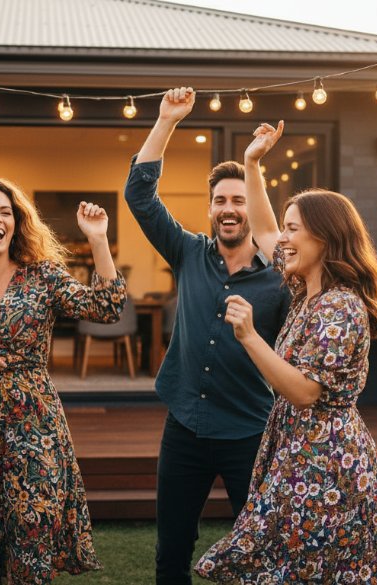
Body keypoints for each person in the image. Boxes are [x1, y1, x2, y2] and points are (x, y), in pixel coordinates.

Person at [195, 122, 377, 583]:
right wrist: (253, 163)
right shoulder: (306, 291)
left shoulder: (341, 307)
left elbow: (304, 392)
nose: (284, 239)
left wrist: (250, 336)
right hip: (297, 452)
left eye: (295, 229)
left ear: (324, 237)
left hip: (326, 465)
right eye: (288, 229)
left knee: (314, 569)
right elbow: (263, 229)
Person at [0, 177, 126, 583]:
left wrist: (99, 240)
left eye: (6, 212)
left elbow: (106, 308)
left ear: (16, 224)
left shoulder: (43, 277)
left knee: (31, 558)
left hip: (35, 436)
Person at [125, 87, 291, 585]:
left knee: (259, 552)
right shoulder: (189, 252)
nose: (228, 208)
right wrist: (166, 122)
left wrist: (253, 164)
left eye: (238, 199)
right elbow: (139, 196)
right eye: (219, 199)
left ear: (251, 208)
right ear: (211, 208)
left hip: (250, 432)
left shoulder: (281, 274)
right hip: (185, 430)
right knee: (172, 548)